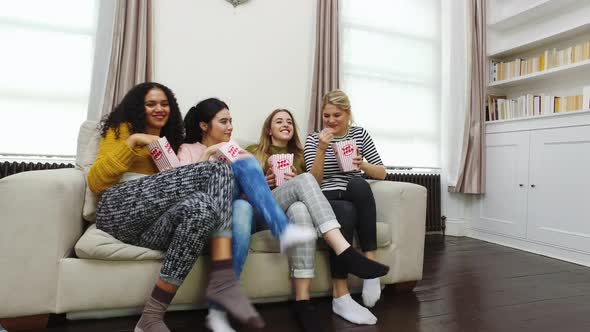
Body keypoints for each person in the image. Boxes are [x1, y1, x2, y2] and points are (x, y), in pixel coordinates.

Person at [87, 83, 263, 332]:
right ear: (139, 107)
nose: (159, 109)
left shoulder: (174, 141)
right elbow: (95, 182)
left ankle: (150, 319)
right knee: (218, 167)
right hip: (118, 211)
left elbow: (185, 187)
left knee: (202, 209)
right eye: (151, 104)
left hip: (150, 229)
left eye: (164, 103)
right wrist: (134, 141)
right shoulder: (122, 130)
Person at [245, 108, 390, 331]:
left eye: (289, 122)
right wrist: (264, 183)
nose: (285, 124)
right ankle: (344, 249)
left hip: (290, 214)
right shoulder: (253, 152)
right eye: (279, 121)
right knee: (304, 180)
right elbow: (240, 192)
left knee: (301, 209)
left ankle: (302, 302)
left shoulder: (301, 155)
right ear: (269, 129)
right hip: (265, 211)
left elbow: (315, 185)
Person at [304, 89, 387, 325]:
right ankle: (340, 297)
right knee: (346, 212)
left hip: (353, 190)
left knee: (360, 183)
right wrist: (321, 148)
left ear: (348, 114)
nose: (331, 121)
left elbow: (382, 173)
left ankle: (371, 265)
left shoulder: (360, 134)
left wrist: (363, 164)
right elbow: (313, 181)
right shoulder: (314, 139)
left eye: (337, 115)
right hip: (327, 196)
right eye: (326, 115)